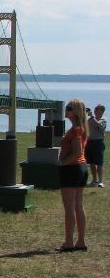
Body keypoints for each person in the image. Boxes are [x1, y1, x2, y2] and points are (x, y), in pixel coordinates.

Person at [58, 99, 89, 252]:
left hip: (72, 169)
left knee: (70, 207)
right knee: (78, 205)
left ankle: (69, 242)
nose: (66, 110)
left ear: (76, 112)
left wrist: (63, 163)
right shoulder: (81, 128)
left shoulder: (76, 130)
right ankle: (81, 241)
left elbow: (77, 153)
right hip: (81, 168)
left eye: (69, 108)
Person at [86, 104, 106, 188]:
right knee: (91, 163)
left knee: (99, 163)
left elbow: (99, 126)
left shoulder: (103, 120)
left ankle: (100, 181)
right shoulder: (90, 119)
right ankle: (94, 180)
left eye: (97, 109)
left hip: (98, 143)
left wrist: (92, 117)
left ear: (102, 111)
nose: (95, 110)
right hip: (90, 142)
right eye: (95, 108)